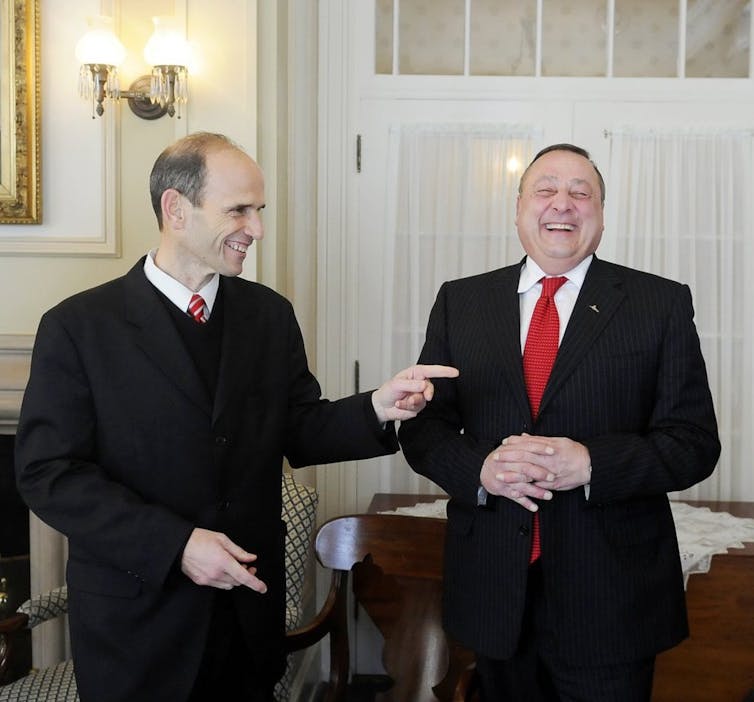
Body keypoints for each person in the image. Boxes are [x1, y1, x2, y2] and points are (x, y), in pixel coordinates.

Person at [14, 132, 458, 702]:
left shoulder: (269, 316)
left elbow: (298, 427)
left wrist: (377, 406)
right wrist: (175, 545)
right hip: (138, 633)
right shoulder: (78, 328)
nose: (258, 229)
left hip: (247, 622)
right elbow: (48, 474)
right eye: (239, 211)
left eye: (260, 211)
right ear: (176, 209)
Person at [398, 143, 720, 701]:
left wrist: (592, 463)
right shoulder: (461, 302)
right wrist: (481, 470)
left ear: (600, 211)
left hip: (612, 598)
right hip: (495, 589)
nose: (562, 205)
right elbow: (424, 428)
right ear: (519, 207)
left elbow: (693, 443)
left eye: (580, 192)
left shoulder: (658, 304)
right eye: (545, 190)